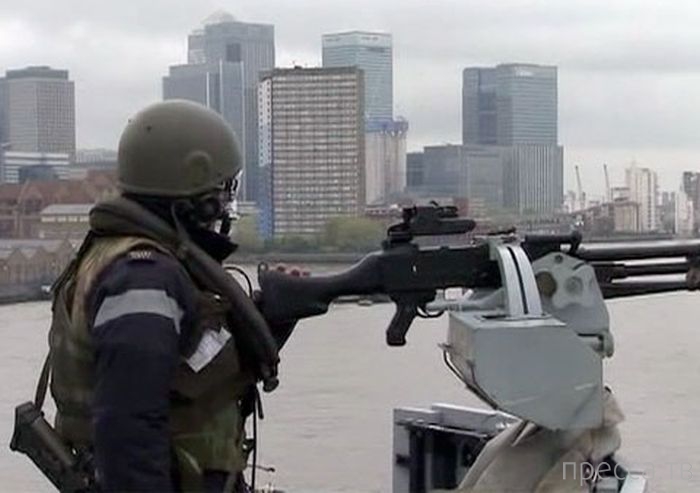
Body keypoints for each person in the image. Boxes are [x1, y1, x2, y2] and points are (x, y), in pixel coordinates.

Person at [47, 100, 281, 492]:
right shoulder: (144, 277)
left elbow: (185, 375)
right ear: (199, 193)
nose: (225, 206)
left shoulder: (133, 260)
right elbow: (129, 427)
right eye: (223, 191)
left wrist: (274, 321)